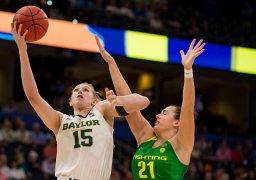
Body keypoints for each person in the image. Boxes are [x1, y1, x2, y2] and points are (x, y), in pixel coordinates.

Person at [11, 23, 150, 180]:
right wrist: (22, 51)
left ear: (94, 101)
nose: (79, 91)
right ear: (70, 101)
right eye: (76, 90)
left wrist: (118, 99)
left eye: (85, 90)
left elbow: (143, 102)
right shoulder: (60, 120)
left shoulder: (102, 110)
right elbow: (33, 97)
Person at [96, 36, 205, 179]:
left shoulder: (181, 145)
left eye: (164, 113)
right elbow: (129, 105)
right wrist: (111, 62)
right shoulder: (146, 139)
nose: (158, 116)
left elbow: (187, 108)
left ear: (177, 122)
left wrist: (188, 70)